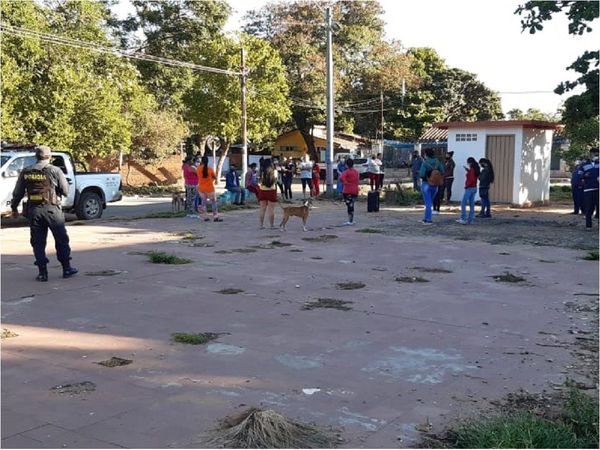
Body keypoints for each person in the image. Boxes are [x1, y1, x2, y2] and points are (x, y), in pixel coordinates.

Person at [10, 145, 78, 281]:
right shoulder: (55, 170)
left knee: (38, 242)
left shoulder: (26, 171)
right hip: (52, 210)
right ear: (49, 156)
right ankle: (66, 268)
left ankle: (42, 273)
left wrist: (14, 208)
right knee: (61, 240)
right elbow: (65, 190)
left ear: (36, 156)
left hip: (34, 211)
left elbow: (17, 193)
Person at [418, 148, 445, 225]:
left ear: (426, 154)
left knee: (428, 203)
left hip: (426, 184)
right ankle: (425, 219)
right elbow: (442, 171)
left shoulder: (425, 163)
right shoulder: (437, 162)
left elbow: (421, 174)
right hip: (435, 185)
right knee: (429, 202)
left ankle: (428, 220)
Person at [196, 155, 222, 222]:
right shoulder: (210, 169)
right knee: (213, 202)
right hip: (210, 188)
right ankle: (215, 217)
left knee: (203, 203)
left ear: (201, 161)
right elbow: (214, 177)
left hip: (201, 188)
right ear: (207, 161)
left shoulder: (198, 169)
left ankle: (205, 217)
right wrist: (211, 180)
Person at [456, 157, 480, 225]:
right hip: (474, 188)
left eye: (468, 163)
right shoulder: (475, 169)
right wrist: (468, 171)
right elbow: (474, 177)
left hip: (469, 188)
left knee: (463, 203)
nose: (467, 164)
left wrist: (467, 185)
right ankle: (470, 219)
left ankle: (463, 218)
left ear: (470, 163)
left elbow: (471, 179)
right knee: (471, 203)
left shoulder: (472, 170)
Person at [258, 158, 278, 229]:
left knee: (262, 209)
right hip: (271, 190)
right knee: (271, 209)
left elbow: (260, 180)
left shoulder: (261, 171)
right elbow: (275, 181)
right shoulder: (274, 171)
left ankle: (261, 225)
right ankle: (272, 225)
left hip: (262, 190)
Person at [339, 158, 360, 225]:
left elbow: (341, 178)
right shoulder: (356, 172)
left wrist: (345, 183)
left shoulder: (346, 172)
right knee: (352, 205)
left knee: (349, 206)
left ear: (346, 165)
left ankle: (350, 221)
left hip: (347, 190)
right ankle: (351, 220)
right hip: (355, 190)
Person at [581, 152, 599, 230]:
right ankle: (588, 225)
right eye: (594, 155)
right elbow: (580, 176)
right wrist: (585, 176)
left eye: (597, 155)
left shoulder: (599, 164)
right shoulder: (584, 165)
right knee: (589, 208)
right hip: (588, 189)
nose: (595, 156)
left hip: (598, 189)